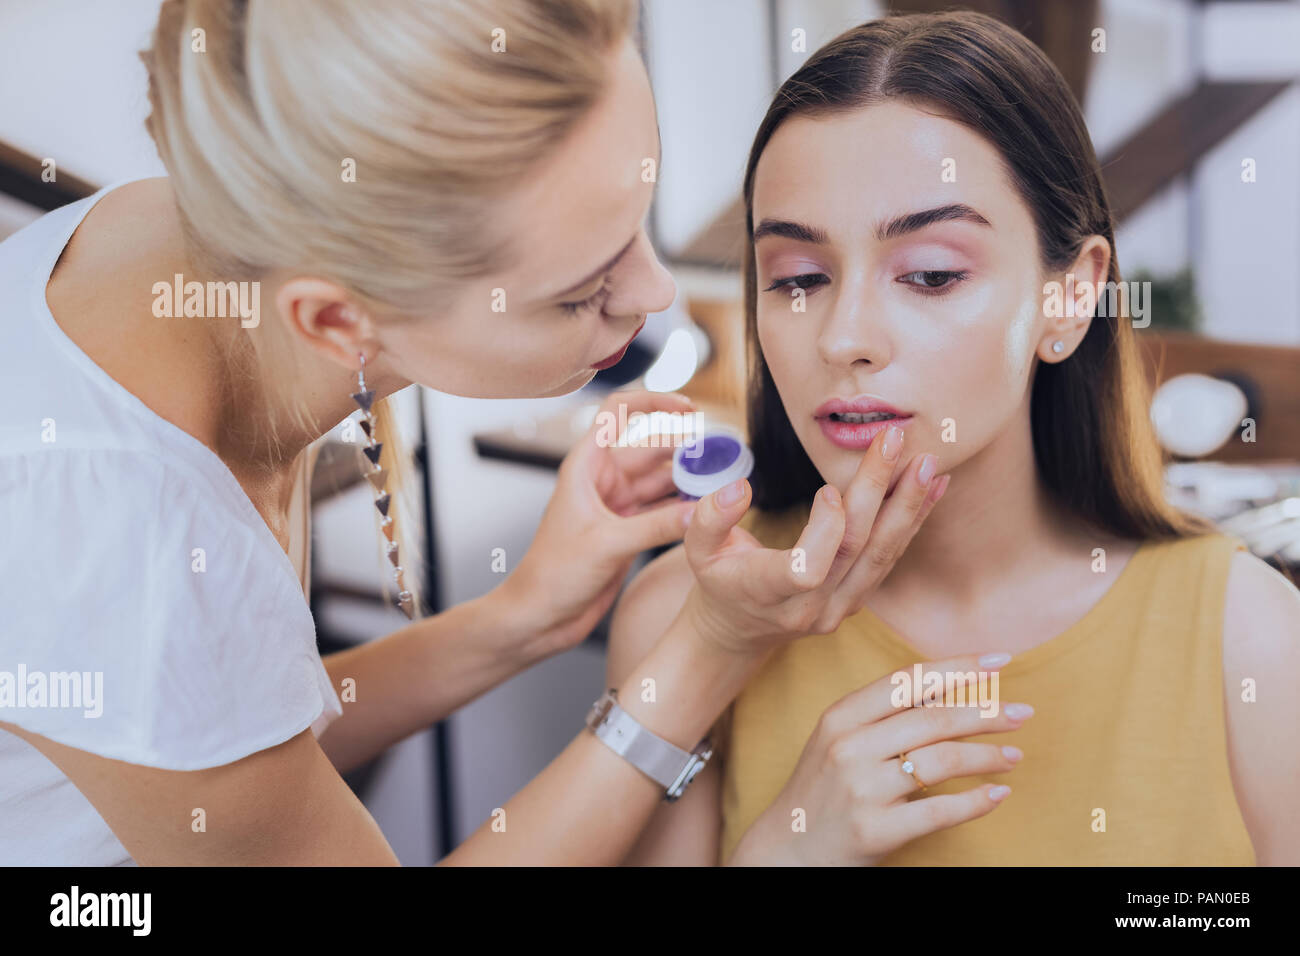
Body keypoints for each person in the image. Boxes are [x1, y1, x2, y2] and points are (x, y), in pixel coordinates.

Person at [0, 0, 942, 865]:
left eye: (637, 221)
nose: (654, 296)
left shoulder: (205, 228)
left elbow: (238, 734)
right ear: (335, 322)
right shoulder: (118, 522)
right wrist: (710, 652)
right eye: (580, 291)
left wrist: (522, 617)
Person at [607, 11, 1300, 866]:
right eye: (798, 278)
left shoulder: (1251, 637)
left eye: (932, 274)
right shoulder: (685, 618)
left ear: (1069, 298)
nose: (844, 337)